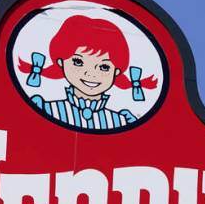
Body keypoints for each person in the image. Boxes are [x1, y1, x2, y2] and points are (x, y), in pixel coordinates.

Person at [18, 15, 158, 130]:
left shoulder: (122, 121)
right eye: (78, 62)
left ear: (116, 71)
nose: (91, 74)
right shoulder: (45, 109)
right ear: (61, 62)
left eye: (104, 67)